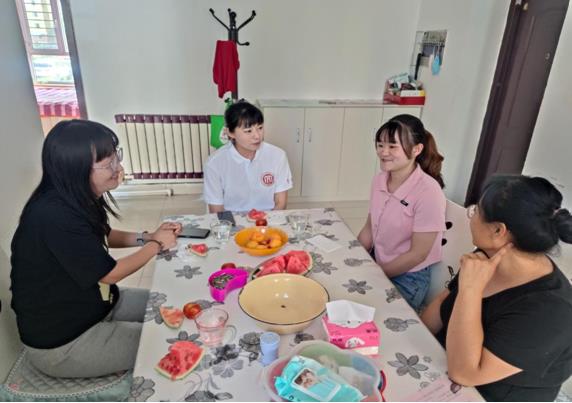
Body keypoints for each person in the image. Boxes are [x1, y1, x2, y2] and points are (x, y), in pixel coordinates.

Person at [10, 120, 181, 378]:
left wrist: (148, 237)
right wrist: (156, 246)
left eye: (116, 157)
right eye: (108, 163)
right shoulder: (54, 215)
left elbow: (104, 234)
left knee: (175, 306)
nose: (118, 168)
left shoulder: (78, 197)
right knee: (168, 342)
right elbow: (110, 274)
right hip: (66, 342)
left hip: (98, 304)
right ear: (75, 169)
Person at [421, 175, 572, 401]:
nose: (472, 216)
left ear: (498, 231)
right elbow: (440, 307)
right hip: (441, 364)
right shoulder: (485, 256)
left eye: (476, 211)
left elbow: (464, 373)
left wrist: (471, 290)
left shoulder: (552, 310)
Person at [357, 114, 446, 311]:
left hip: (408, 277)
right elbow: (369, 228)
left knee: (367, 316)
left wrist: (376, 274)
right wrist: (353, 257)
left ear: (416, 149)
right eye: (380, 145)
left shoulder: (429, 192)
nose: (383, 152)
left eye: (392, 146)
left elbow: (418, 254)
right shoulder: (379, 180)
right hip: (378, 262)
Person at [203, 100, 293, 213]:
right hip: (232, 219)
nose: (257, 136)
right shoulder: (214, 163)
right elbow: (217, 209)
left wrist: (266, 222)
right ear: (230, 133)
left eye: (260, 128)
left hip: (267, 218)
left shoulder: (277, 156)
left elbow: (281, 202)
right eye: (248, 131)